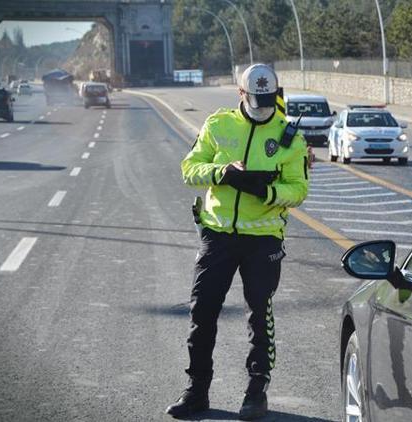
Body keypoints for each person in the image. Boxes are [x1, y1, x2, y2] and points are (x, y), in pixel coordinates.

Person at [166, 64, 309, 420]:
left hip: (263, 238)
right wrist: (221, 172)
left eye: (269, 101)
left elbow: (299, 189)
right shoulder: (218, 125)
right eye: (256, 100)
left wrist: (268, 190)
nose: (263, 109)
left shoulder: (289, 136)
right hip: (218, 235)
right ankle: (196, 391)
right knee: (202, 311)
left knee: (259, 314)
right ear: (241, 94)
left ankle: (255, 391)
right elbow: (188, 168)